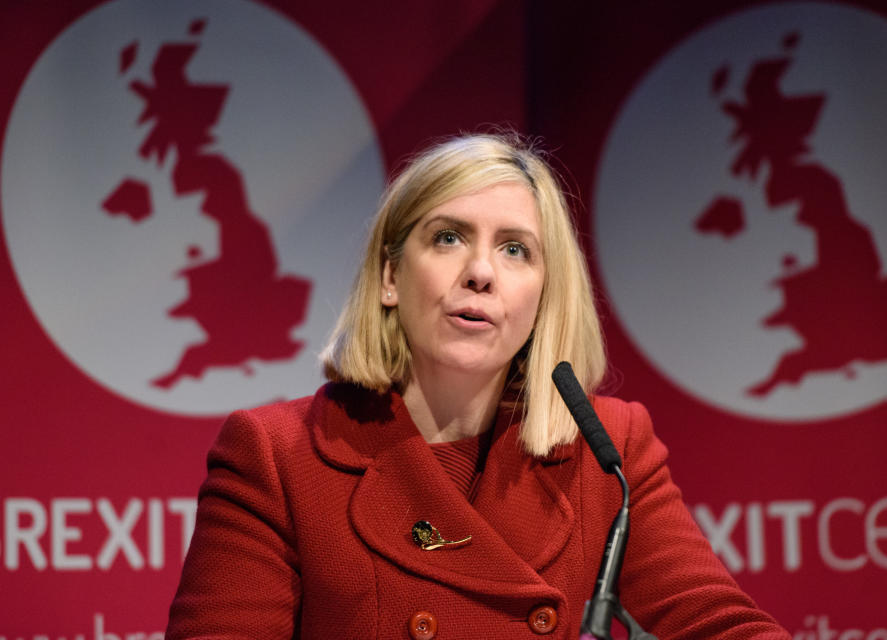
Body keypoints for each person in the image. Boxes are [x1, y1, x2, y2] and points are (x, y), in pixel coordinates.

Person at [166, 132, 791, 639]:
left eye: (516, 250)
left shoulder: (610, 450)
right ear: (390, 276)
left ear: (544, 296)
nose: (482, 272)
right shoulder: (277, 457)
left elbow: (719, 626)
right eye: (448, 237)